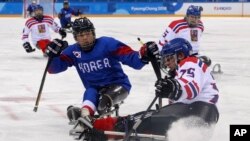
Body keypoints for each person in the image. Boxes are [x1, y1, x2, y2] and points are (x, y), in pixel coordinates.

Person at [67, 38, 219, 141]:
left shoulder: (190, 63)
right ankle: (96, 124)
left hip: (195, 111)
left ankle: (96, 126)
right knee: (145, 123)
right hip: (197, 115)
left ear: (180, 55)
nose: (166, 64)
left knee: (138, 122)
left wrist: (173, 87)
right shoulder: (185, 69)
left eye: (169, 59)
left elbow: (190, 86)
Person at [46, 17, 159, 120]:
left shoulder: (108, 44)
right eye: (81, 35)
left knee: (103, 105)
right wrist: (53, 55)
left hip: (119, 85)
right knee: (89, 97)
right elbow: (53, 69)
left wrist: (143, 54)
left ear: (93, 33)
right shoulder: (72, 52)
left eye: (87, 33)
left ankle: (92, 118)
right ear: (76, 38)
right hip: (94, 88)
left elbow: (132, 59)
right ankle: (85, 116)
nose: (85, 38)